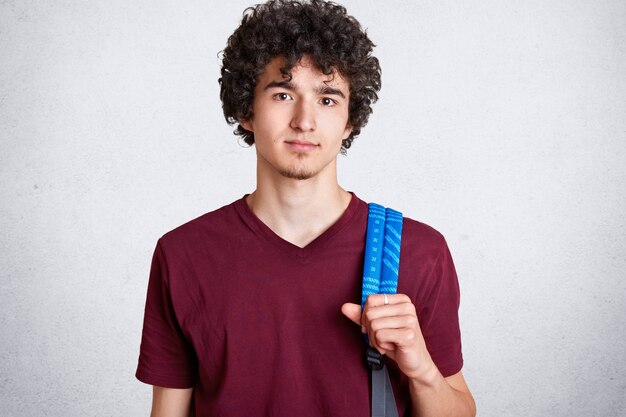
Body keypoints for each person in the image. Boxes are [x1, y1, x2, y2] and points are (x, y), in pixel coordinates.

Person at [136, 0, 476, 416]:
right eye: (283, 94)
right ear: (247, 110)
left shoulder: (417, 251)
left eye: (328, 99)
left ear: (350, 120)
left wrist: (420, 367)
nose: (304, 120)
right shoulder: (183, 254)